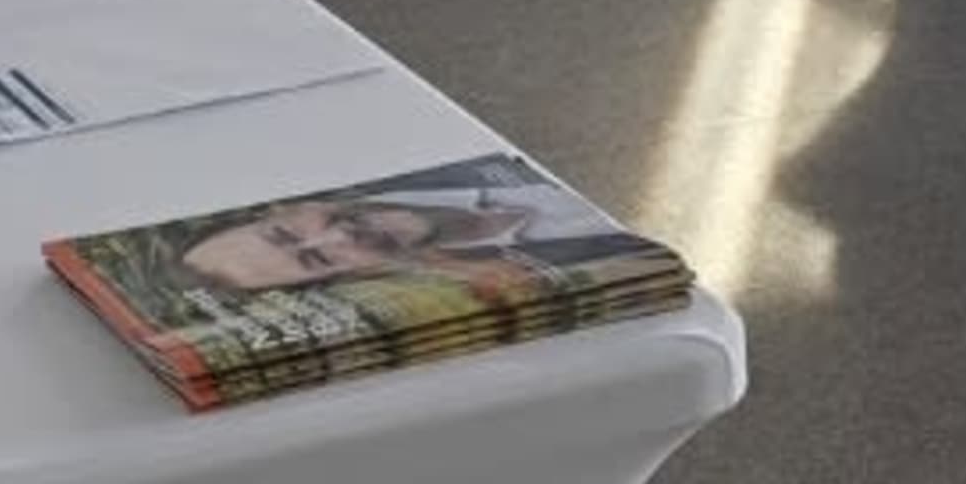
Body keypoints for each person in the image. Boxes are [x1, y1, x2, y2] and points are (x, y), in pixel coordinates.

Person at [175, 154, 647, 296]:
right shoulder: (532, 274)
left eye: (286, 233)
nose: (339, 235)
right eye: (316, 257)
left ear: (283, 207)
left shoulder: (426, 153)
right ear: (352, 277)